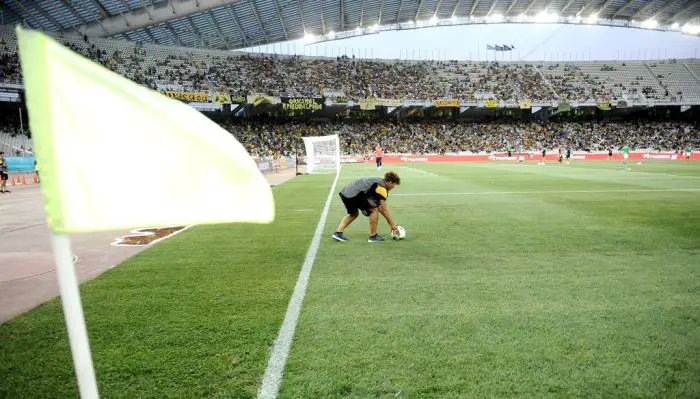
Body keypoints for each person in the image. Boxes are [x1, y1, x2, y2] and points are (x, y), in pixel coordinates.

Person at [332, 171, 401, 242]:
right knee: (374, 209)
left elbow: (381, 207)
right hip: (354, 194)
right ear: (390, 182)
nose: (394, 187)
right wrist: (393, 225)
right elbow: (383, 209)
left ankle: (338, 233)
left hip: (345, 193)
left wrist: (391, 224)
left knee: (354, 214)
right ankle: (373, 236)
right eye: (394, 184)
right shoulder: (382, 188)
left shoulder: (378, 181)